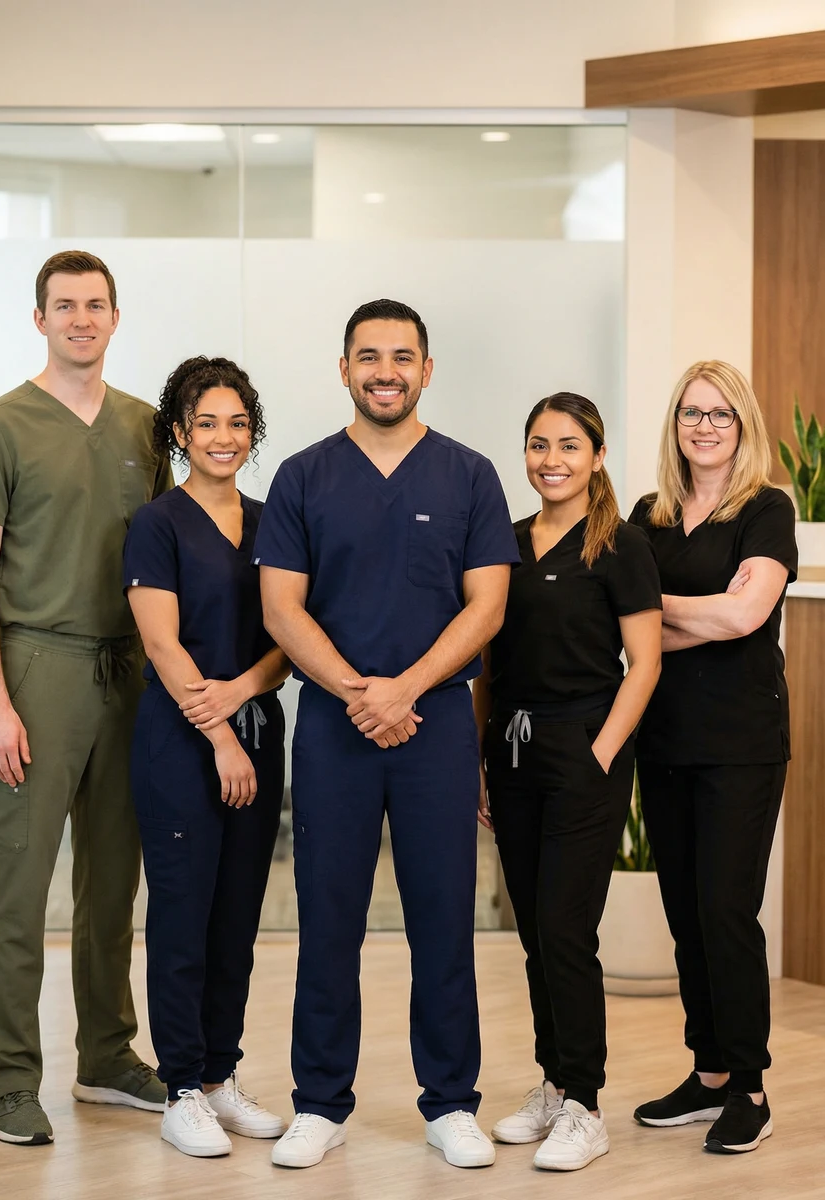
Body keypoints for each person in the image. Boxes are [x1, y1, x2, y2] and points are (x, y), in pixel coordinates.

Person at [253, 298, 519, 1170]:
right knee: (326, 919)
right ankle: (319, 1103)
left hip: (436, 723)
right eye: (368, 356)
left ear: (427, 370)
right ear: (343, 369)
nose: (385, 371)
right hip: (334, 727)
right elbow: (280, 607)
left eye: (402, 356)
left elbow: (488, 605)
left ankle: (450, 1103)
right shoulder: (302, 476)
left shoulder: (470, 475)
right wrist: (357, 691)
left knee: (443, 919)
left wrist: (404, 687)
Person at [0, 250, 172, 1145]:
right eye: (65, 305)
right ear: (38, 318)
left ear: (116, 318)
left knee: (114, 882)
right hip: (37, 667)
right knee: (19, 887)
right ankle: (11, 1079)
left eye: (97, 305)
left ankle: (108, 1056)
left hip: (131, 672)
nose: (82, 318)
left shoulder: (148, 426)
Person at [475, 392, 661, 1172]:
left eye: (569, 446)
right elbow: (487, 657)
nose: (552, 459)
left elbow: (645, 663)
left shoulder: (618, 547)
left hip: (585, 748)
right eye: (539, 445)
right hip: (512, 750)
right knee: (533, 936)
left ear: (598, 456)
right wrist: (483, 757)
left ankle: (585, 1104)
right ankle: (554, 1084)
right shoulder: (506, 542)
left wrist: (599, 754)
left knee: (565, 929)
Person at [629, 361, 797, 1155]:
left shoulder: (767, 509)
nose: (703, 426)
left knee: (727, 915)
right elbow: (623, 631)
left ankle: (752, 1087)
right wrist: (705, 616)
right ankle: (710, 1075)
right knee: (686, 916)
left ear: (743, 425)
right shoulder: (647, 516)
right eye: (691, 413)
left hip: (741, 744)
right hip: (663, 740)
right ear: (676, 425)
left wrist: (660, 611)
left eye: (720, 414)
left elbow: (746, 612)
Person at [124, 356, 289, 1158]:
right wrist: (219, 730)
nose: (222, 437)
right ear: (180, 432)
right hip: (182, 745)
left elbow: (288, 641)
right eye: (206, 423)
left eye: (236, 422)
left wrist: (242, 696)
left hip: (257, 737)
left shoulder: (271, 522)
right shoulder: (158, 523)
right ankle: (181, 1086)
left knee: (236, 920)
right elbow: (161, 640)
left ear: (250, 430)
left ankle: (221, 1078)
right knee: (184, 917)